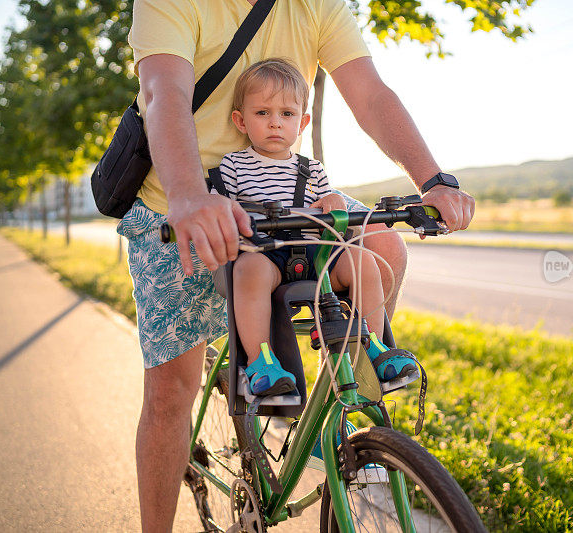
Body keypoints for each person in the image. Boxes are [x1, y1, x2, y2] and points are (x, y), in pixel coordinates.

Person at [120, 0, 475, 529]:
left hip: (294, 196)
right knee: (173, 389)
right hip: (184, 196)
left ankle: (354, 419)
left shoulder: (317, 5)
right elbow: (163, 92)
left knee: (386, 246)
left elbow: (371, 95)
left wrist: (434, 179)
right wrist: (190, 194)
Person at [219, 58, 417, 396]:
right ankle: (259, 361)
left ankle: (372, 346)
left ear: (302, 121)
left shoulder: (312, 169)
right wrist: (226, 209)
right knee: (248, 271)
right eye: (262, 113)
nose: (275, 123)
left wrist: (334, 204)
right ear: (240, 120)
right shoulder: (234, 165)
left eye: (286, 114)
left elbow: (330, 201)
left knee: (362, 260)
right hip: (265, 254)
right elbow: (219, 205)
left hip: (316, 256)